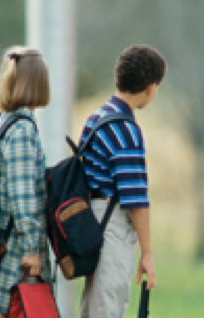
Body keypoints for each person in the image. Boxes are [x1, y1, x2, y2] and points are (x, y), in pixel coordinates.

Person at [79, 44, 166, 318]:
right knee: (108, 307)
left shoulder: (96, 118)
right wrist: (148, 254)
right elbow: (136, 200)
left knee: (93, 307)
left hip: (90, 223)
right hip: (111, 228)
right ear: (151, 88)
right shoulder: (126, 130)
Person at [0, 46, 52, 318]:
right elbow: (22, 195)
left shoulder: (3, 121)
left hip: (2, 237)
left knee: (0, 310)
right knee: (14, 308)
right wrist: (31, 248)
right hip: (17, 247)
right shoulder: (21, 130)